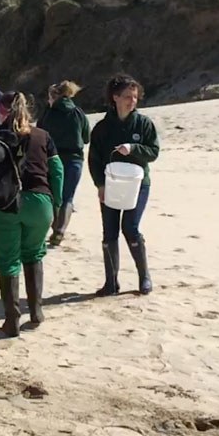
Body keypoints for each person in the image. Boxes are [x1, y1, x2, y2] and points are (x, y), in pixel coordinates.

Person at [0, 92, 64, 337]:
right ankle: (36, 311)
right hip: (40, 202)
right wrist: (57, 202)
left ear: (2, 113)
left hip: (8, 205)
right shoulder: (43, 135)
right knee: (34, 253)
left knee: (8, 261)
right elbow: (58, 170)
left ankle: (12, 322)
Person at [87, 74, 160, 296]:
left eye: (135, 97)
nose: (132, 101)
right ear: (115, 97)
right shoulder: (102, 127)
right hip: (111, 185)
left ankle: (144, 277)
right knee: (109, 232)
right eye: (127, 96)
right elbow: (94, 159)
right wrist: (100, 185)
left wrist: (134, 148)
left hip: (138, 184)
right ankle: (111, 282)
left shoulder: (143, 124)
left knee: (130, 227)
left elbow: (154, 152)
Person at [38, 80, 90, 246]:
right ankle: (60, 231)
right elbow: (86, 137)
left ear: (53, 97)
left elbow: (39, 134)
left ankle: (53, 226)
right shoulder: (78, 112)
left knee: (53, 194)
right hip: (74, 158)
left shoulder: (48, 113)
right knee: (68, 197)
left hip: (52, 158)